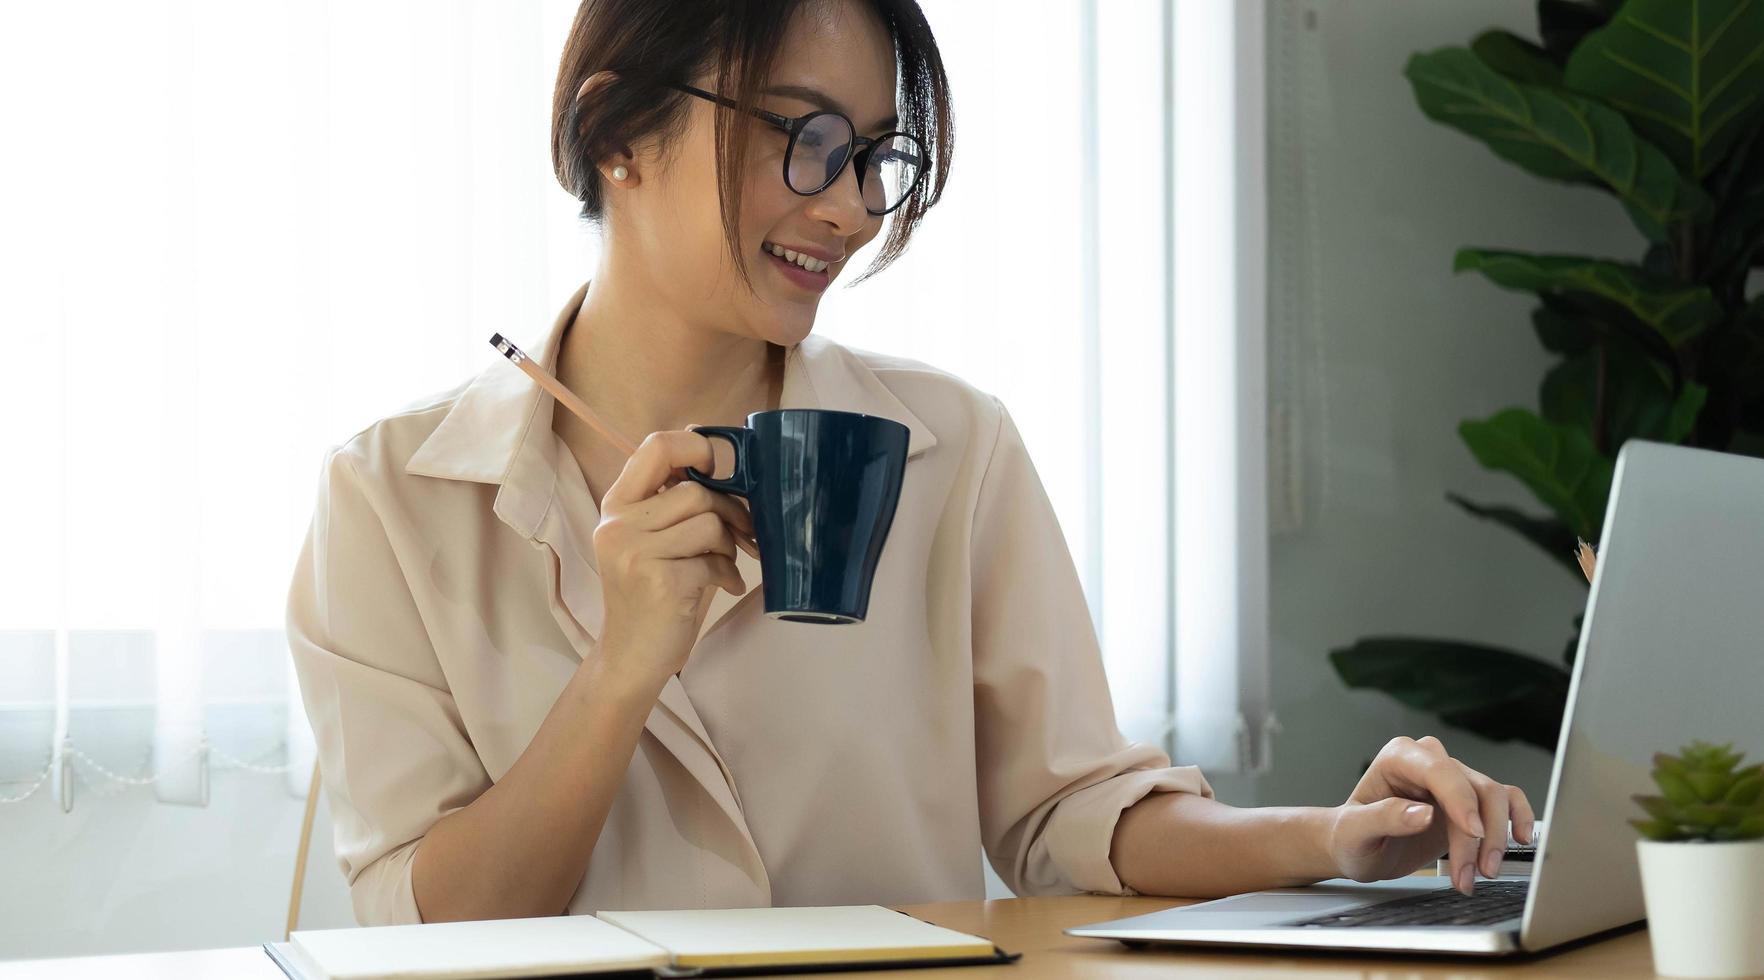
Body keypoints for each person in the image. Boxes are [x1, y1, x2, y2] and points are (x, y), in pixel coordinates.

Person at [286, 0, 1533, 927]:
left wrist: (1333, 833)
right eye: (803, 136)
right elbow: (428, 930)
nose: (852, 208)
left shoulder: (955, 447)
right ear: (618, 129)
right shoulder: (390, 498)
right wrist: (620, 669)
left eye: (878, 154)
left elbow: (1072, 813)